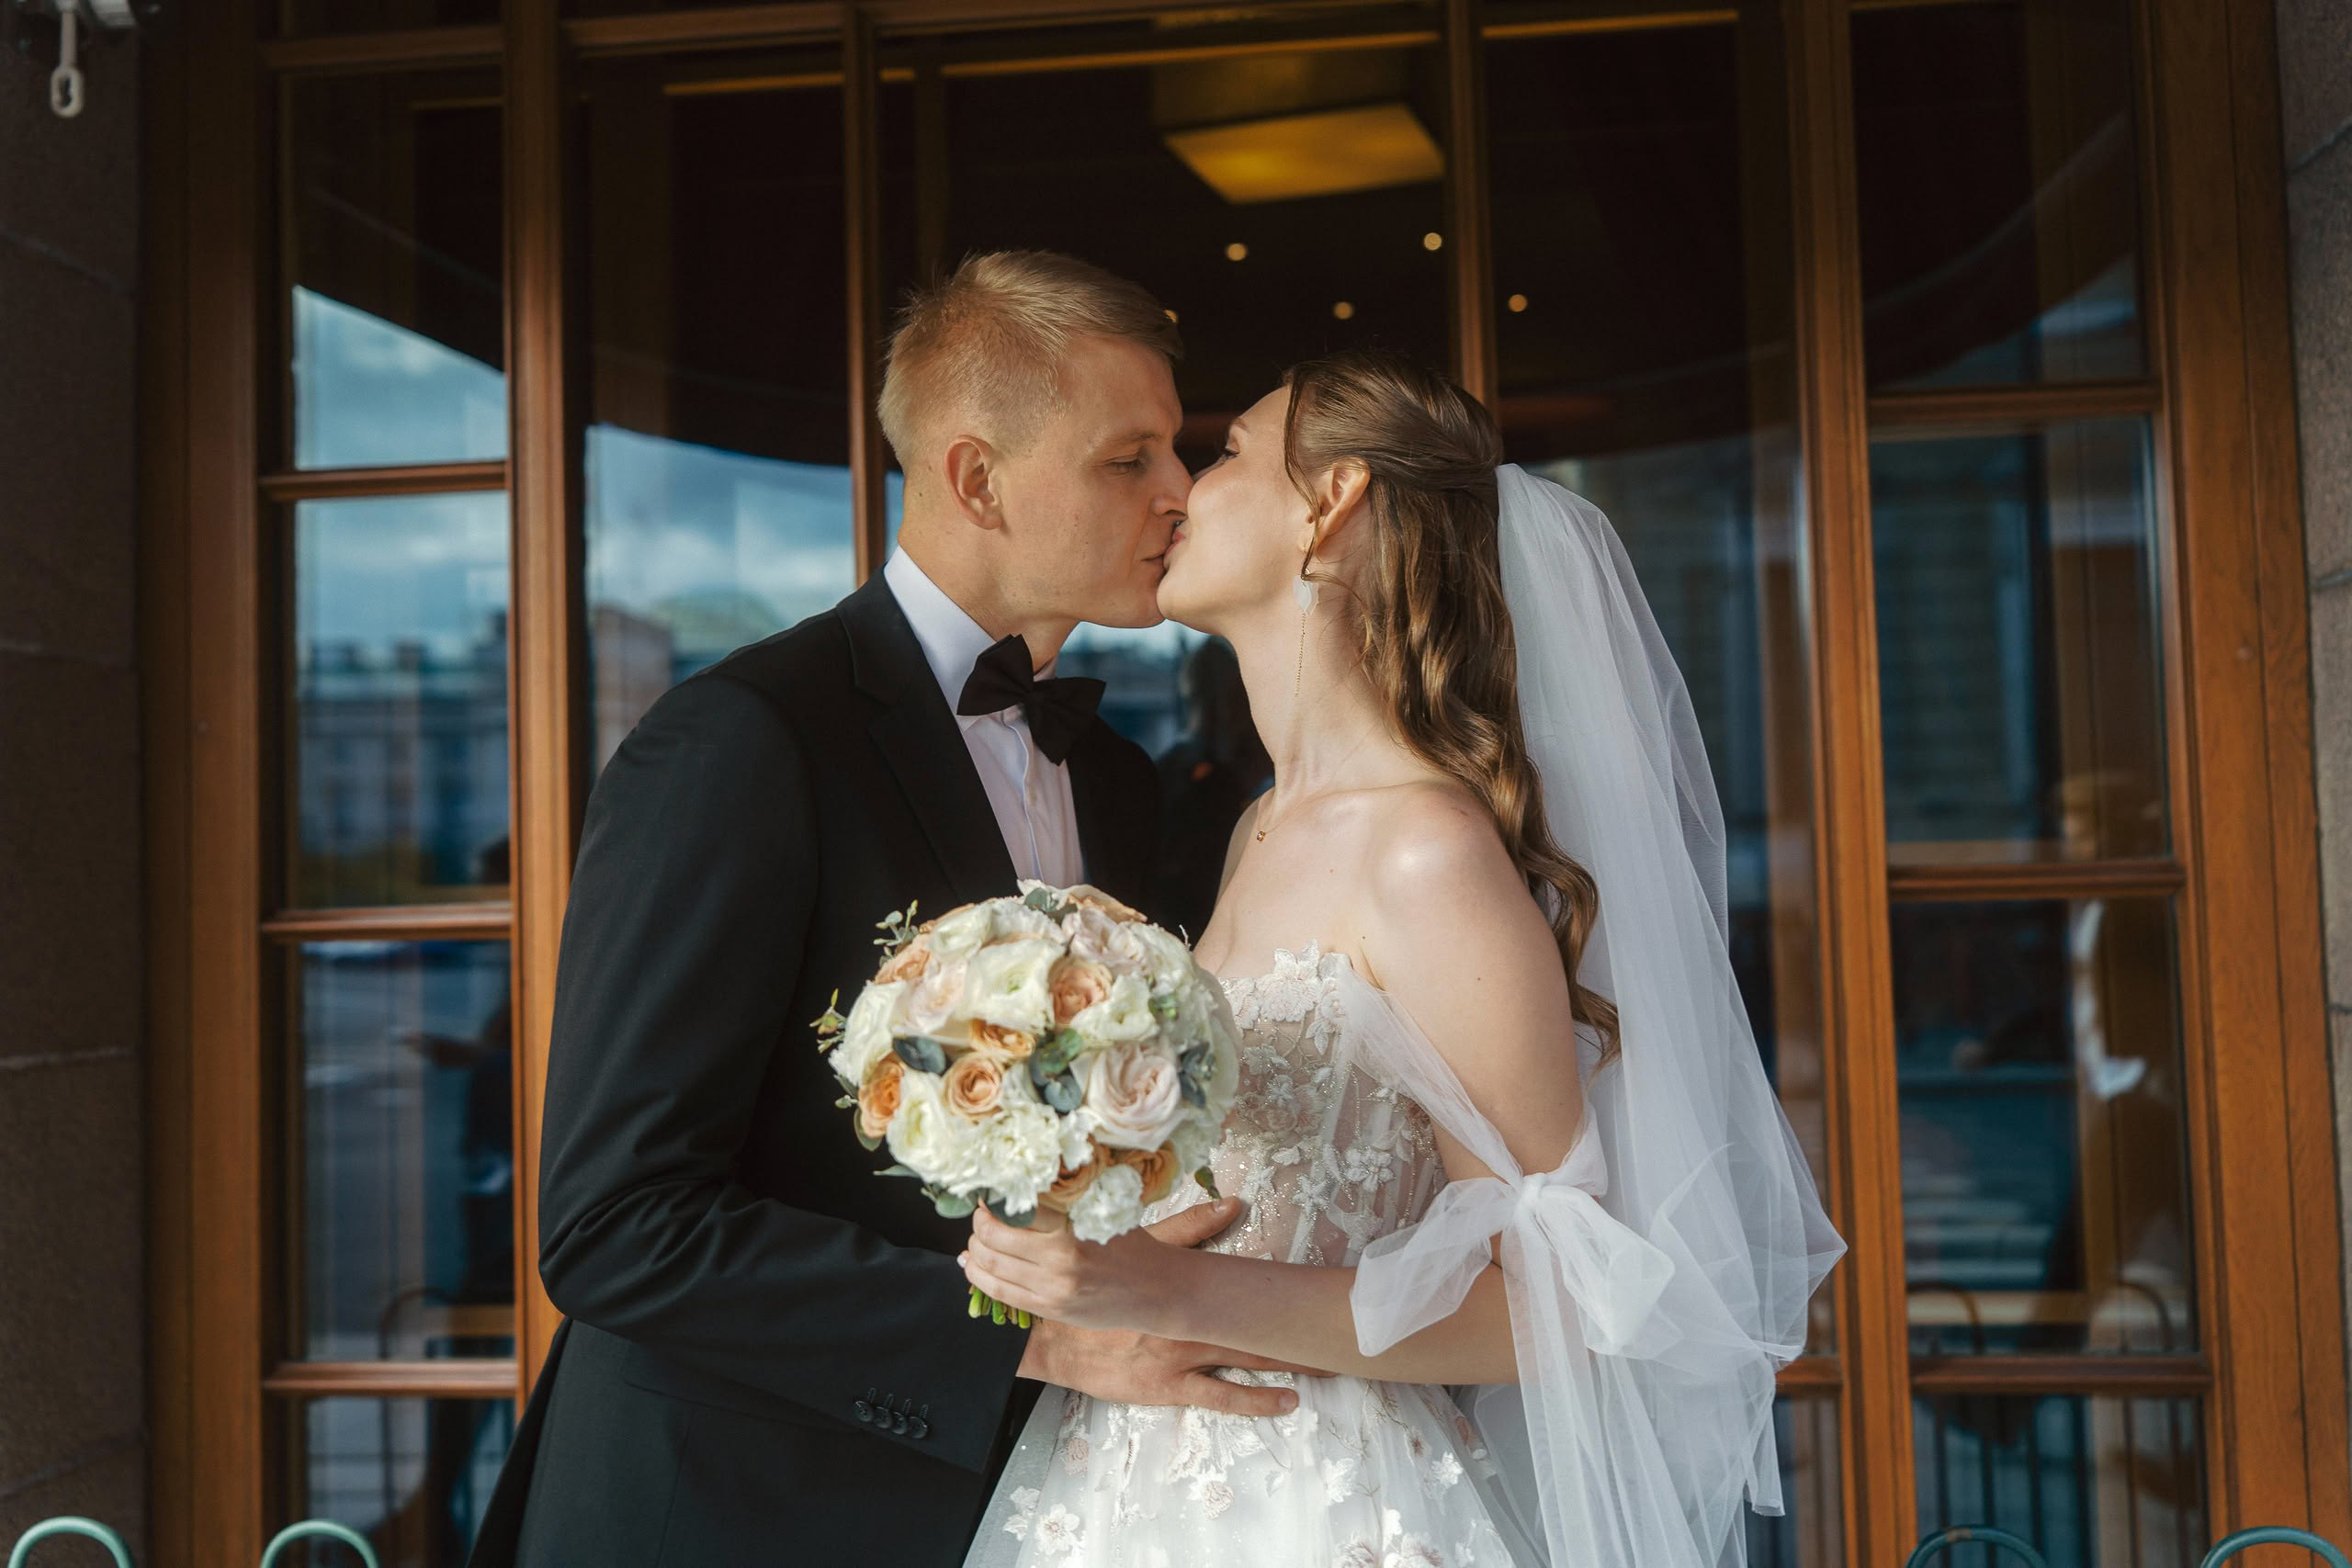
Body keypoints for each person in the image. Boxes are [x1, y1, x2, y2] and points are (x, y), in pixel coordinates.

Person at [466, 252, 1319, 1568]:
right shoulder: (745, 742)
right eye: (1128, 459)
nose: (1179, 493)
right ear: (978, 478)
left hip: (1016, 1506)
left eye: (1180, 454)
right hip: (722, 1514)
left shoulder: (1118, 780)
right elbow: (614, 1224)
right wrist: (1045, 1338)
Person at [956, 350, 1845, 1568]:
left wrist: (1170, 1298)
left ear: (1332, 507)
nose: (1170, 492)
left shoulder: (1424, 853)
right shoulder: (1254, 830)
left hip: (1319, 1503)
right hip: (1121, 1475)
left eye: (1219, 454)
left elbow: (1558, 1307)